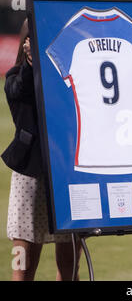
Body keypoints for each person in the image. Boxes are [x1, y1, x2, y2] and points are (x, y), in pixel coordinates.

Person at [1, 19, 82, 281]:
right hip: (31, 176)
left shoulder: (69, 76)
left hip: (67, 173)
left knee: (70, 269)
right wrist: (30, 66)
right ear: (27, 42)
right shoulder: (16, 76)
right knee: (23, 267)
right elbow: (21, 91)